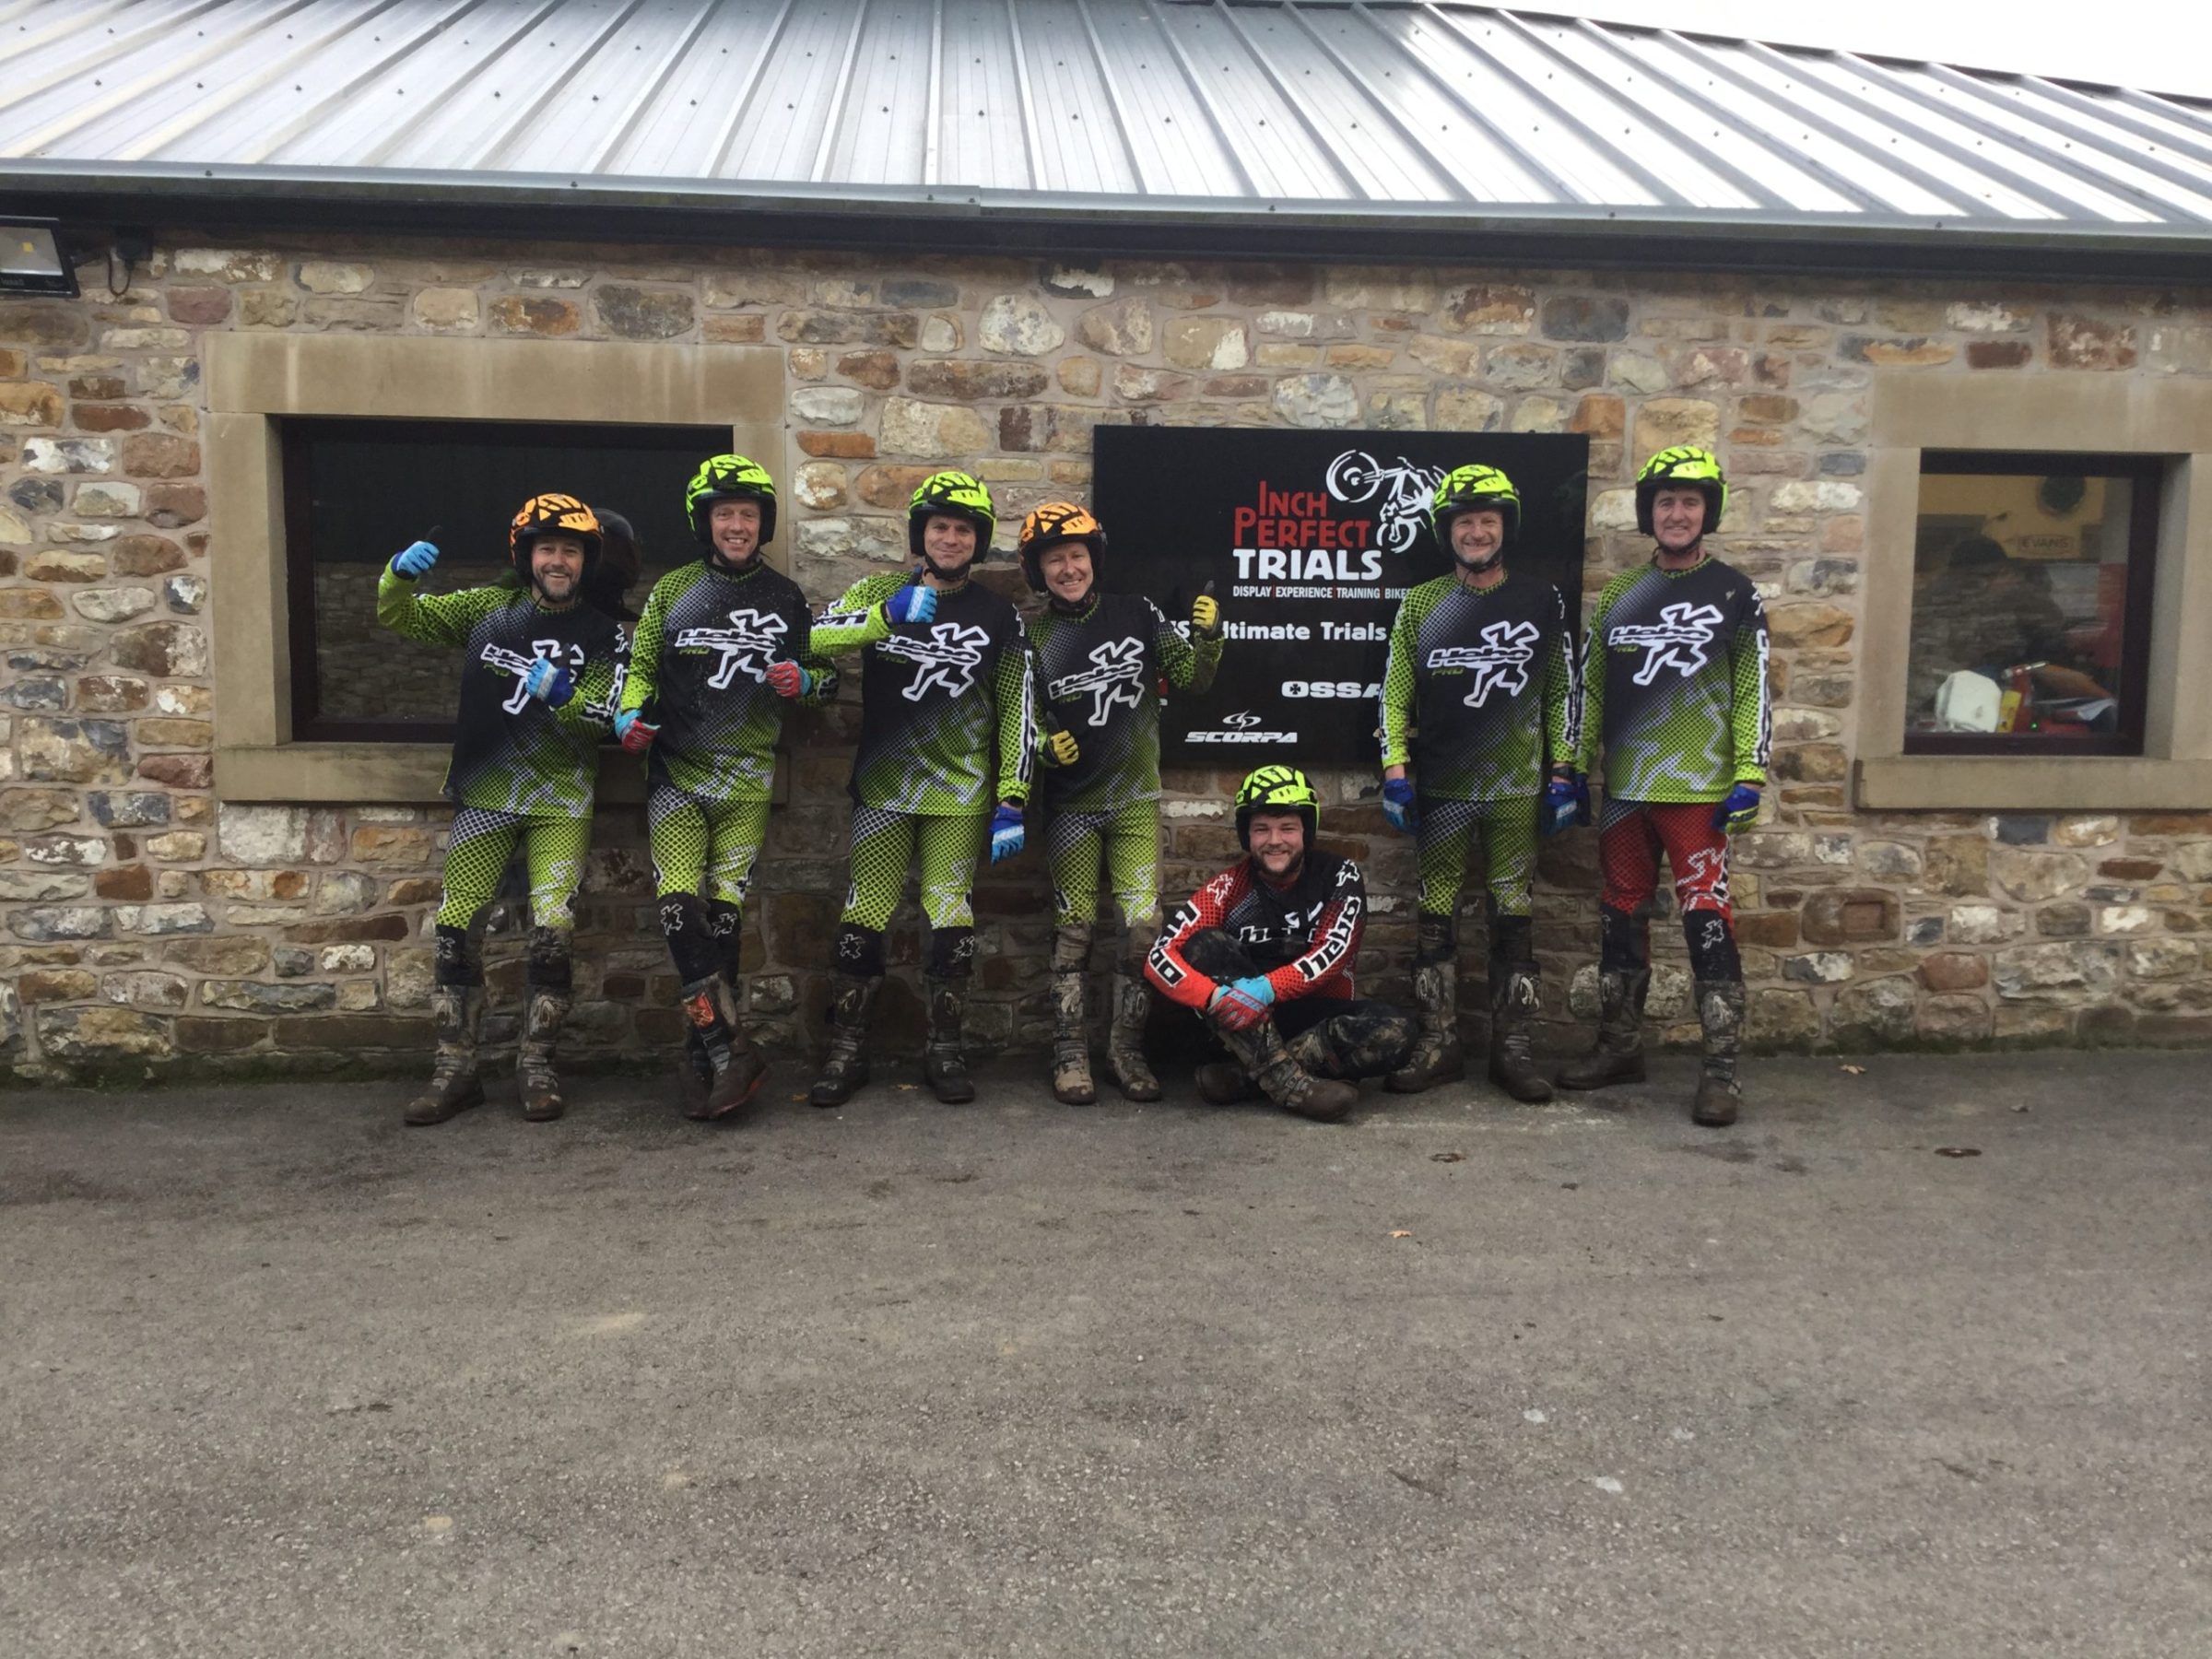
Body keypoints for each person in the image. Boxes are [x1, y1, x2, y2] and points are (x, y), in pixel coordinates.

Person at [379, 495, 627, 1125]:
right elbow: (401, 617)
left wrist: (565, 697)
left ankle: (536, 1063)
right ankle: (455, 1066)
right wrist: (397, 575)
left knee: (552, 930)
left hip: (560, 801)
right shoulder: (486, 610)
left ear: (586, 559)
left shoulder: (605, 635)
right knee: (457, 926)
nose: (558, 560)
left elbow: (608, 716)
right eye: (547, 549)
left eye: (570, 550)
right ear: (526, 555)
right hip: (485, 793)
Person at [614, 455, 837, 1121]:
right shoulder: (671, 591)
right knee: (681, 910)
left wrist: (808, 682)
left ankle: (702, 1053)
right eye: (724, 514)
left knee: (724, 917)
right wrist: (627, 715)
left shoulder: (787, 597)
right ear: (704, 522)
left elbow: (825, 678)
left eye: (747, 515)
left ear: (762, 523)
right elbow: (640, 670)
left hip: (747, 780)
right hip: (677, 777)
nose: (736, 525)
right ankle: (726, 1046)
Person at [804, 471, 1036, 1107]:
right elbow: (807, 639)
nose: (952, 538)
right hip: (884, 789)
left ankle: (945, 1048)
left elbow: (1017, 708)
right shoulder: (880, 589)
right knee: (864, 913)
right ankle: (846, 1052)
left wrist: (1013, 796)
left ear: (979, 540)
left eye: (964, 529)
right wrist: (883, 619)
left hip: (959, 796)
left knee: (950, 915)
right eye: (940, 527)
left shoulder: (999, 615)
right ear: (920, 533)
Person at [1560, 446, 1769, 1127]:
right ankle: (1619, 1046)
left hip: (1701, 790)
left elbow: (1752, 690)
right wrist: (1569, 766)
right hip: (1625, 789)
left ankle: (1721, 1072)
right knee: (1621, 916)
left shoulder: (1736, 591)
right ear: (1649, 512)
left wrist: (1750, 771)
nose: (1677, 514)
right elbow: (1589, 690)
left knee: (1706, 919)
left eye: (1690, 502)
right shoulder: (1622, 594)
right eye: (1665, 502)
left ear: (1709, 510)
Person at [1377, 465, 1582, 1102]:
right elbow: (1394, 693)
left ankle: (1512, 1049)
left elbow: (1564, 693)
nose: (1476, 531)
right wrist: (1394, 773)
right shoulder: (1421, 603)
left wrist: (1563, 773)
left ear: (1505, 527)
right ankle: (1438, 1043)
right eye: (1465, 521)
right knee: (1435, 912)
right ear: (1447, 530)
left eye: (1487, 520)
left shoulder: (1541, 599)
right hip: (1441, 787)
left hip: (1518, 789)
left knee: (1512, 911)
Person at [1019, 501, 1225, 1105]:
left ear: (1094, 560)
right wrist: (1041, 746)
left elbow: (1191, 678)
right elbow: (1015, 719)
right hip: (1069, 809)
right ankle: (1069, 1054)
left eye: (1076, 556)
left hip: (1135, 800)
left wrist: (1208, 636)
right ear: (1038, 571)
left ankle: (1126, 1049)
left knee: (1142, 929)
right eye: (1054, 560)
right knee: (1073, 929)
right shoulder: (1031, 637)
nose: (1067, 568)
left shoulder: (1137, 613)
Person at [1145, 767, 1415, 1124]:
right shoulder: (1228, 887)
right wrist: (1212, 997)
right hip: (1240, 1022)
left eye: (1287, 827)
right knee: (1205, 945)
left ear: (1307, 831)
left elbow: (1333, 953)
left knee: (1399, 1030)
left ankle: (1245, 1079)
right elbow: (1159, 957)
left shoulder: (1340, 876)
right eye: (1262, 829)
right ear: (1247, 835)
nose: (1275, 840)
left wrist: (1267, 989)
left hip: (1315, 1014)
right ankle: (1289, 1083)